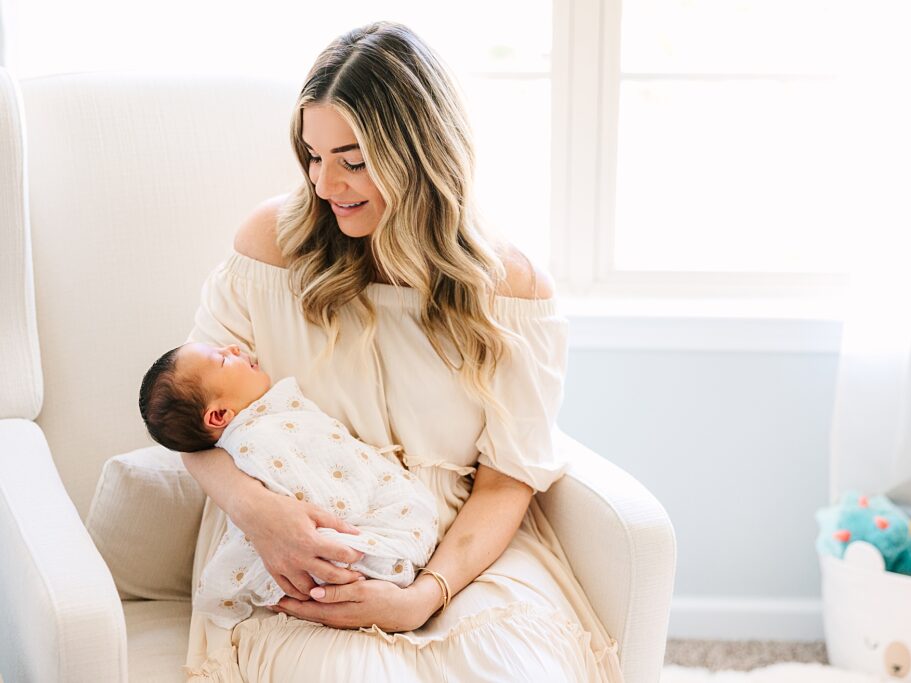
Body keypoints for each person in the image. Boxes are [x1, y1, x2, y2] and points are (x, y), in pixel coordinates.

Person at [182, 20, 624, 682]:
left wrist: (422, 596)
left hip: (464, 555)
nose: (326, 184)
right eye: (312, 155)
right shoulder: (271, 250)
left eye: (352, 159)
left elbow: (507, 479)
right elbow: (190, 416)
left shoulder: (509, 289)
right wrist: (263, 516)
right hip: (306, 542)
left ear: (420, 151)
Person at [138, 341, 438, 629]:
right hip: (357, 550)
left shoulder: (277, 418)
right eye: (222, 359)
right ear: (219, 415)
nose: (233, 348)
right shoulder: (254, 443)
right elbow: (316, 501)